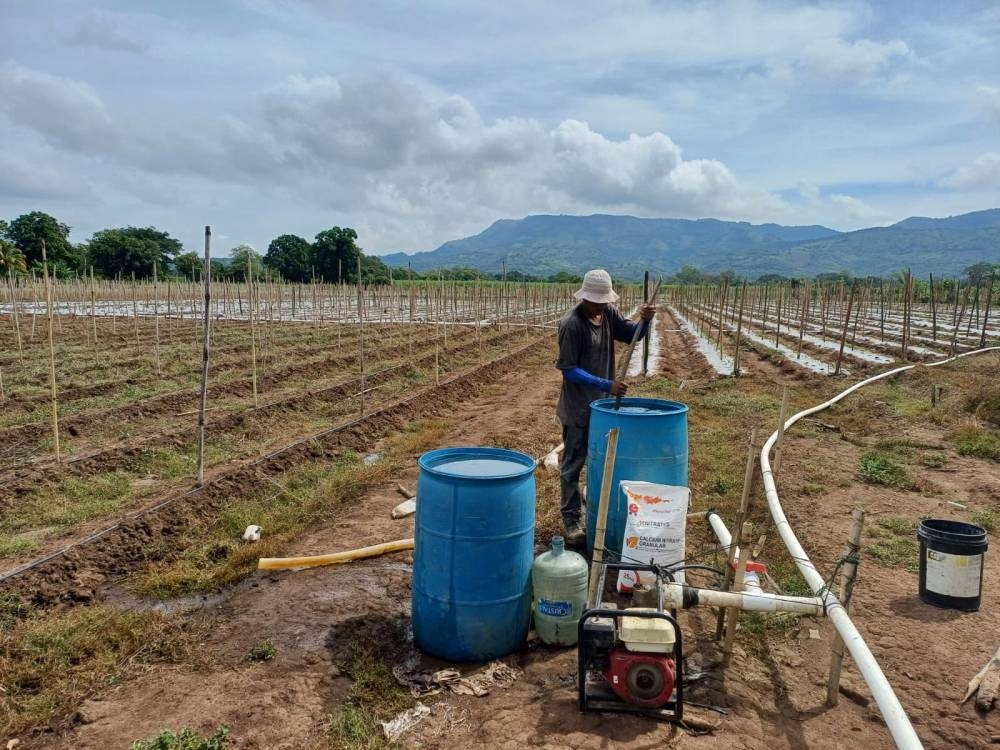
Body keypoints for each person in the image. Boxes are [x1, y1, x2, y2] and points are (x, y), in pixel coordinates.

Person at [555, 269, 655, 545]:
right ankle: (571, 520)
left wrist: (645, 322)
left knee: (602, 460)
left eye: (603, 301)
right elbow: (568, 369)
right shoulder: (572, 325)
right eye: (595, 301)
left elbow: (632, 335)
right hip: (578, 409)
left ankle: (601, 510)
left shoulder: (608, 312)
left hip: (604, 407)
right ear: (584, 297)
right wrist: (605, 383)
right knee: (572, 466)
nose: (599, 305)